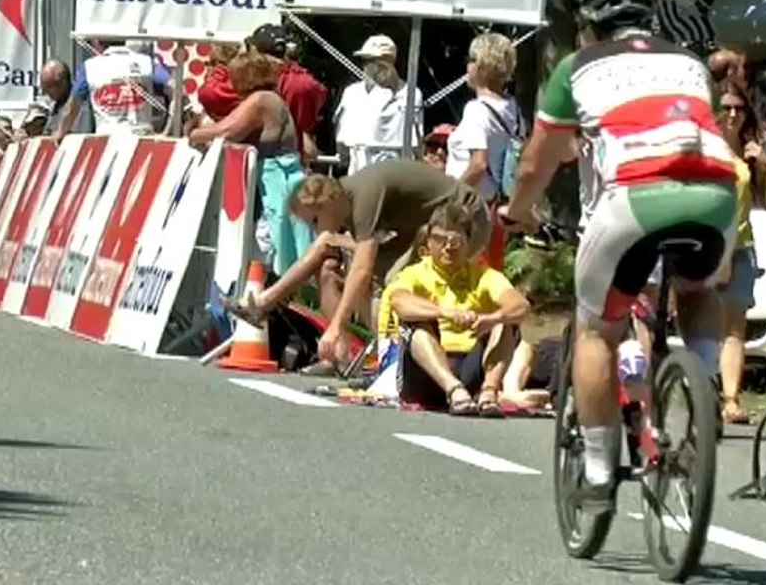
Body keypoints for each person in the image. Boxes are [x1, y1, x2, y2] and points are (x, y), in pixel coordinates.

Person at [499, 0, 739, 514]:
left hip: (636, 195)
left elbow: (540, 159)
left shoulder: (578, 66)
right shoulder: (688, 61)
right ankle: (702, 387)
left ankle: (601, 466)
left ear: (588, 29)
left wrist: (517, 212)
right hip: (717, 193)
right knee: (698, 292)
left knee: (596, 328)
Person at [227, 160, 491, 376]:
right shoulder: (345, 199)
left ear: (329, 202)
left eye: (316, 220)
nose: (316, 228)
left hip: (464, 222)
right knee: (325, 250)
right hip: (421, 227)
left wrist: (336, 324)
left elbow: (362, 270)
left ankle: (392, 351)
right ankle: (268, 306)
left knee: (389, 279)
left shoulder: (363, 198)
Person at [385, 204, 531, 415]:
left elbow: (521, 306)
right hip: (424, 372)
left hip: (470, 363)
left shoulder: (484, 276)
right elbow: (399, 302)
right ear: (428, 242)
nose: (448, 247)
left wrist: (491, 318)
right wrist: (445, 312)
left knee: (505, 322)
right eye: (439, 240)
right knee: (416, 322)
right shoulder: (414, 274)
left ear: (468, 243)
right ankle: (453, 389)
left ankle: (489, 392)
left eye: (456, 241)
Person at [188, 51, 312, 277]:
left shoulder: (260, 100)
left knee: (264, 241)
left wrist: (193, 132)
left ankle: (258, 296)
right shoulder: (273, 98)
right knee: (273, 239)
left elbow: (226, 131)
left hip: (275, 179)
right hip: (281, 174)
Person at [715, 80, 766, 425]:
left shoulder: (750, 151)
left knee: (734, 330)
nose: (733, 114)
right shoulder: (705, 149)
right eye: (725, 108)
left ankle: (730, 399)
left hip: (741, 250)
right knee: (704, 326)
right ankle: (700, 390)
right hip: (707, 250)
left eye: (738, 108)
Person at [446, 32, 523, 269]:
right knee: (488, 279)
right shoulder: (514, 111)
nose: (467, 66)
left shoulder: (477, 110)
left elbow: (479, 163)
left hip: (470, 209)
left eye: (471, 60)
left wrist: (449, 201)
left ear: (481, 66)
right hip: (496, 206)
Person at [333, 35, 423, 175]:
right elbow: (342, 140)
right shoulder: (352, 92)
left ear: (389, 62)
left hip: (393, 172)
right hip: (359, 169)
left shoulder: (410, 94)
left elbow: (416, 142)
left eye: (373, 61)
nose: (367, 66)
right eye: (366, 61)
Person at [246, 24, 329, 163]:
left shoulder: (254, 77)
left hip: (259, 157)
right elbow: (309, 117)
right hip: (293, 158)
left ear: (256, 50)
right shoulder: (303, 81)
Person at [55, 40, 171, 138]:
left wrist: (60, 133)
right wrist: (167, 131)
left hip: (107, 141)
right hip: (143, 139)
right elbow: (176, 89)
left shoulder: (90, 68)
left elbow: (71, 110)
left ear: (98, 42)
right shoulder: (146, 63)